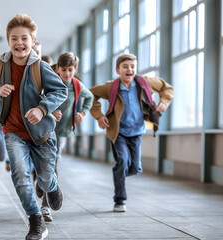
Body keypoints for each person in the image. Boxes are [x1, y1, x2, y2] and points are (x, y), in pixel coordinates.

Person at [0, 14, 67, 240]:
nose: (19, 42)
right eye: (14, 38)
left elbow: (60, 91)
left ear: (33, 40)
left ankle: (53, 186)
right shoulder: (0, 65)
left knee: (45, 178)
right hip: (13, 131)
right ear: (8, 40)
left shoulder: (41, 67)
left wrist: (42, 108)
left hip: (42, 133)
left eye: (24, 38)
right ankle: (35, 220)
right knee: (20, 175)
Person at [89, 53, 174, 212]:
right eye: (125, 66)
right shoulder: (111, 87)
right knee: (122, 160)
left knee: (134, 167)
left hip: (136, 131)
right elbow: (89, 94)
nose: (129, 69)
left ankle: (119, 174)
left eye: (132, 66)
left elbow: (166, 88)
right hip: (118, 132)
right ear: (117, 70)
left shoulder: (145, 83)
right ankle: (119, 200)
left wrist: (164, 102)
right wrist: (99, 116)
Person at [39, 52, 93, 222]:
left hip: (62, 132)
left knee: (53, 164)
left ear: (75, 69)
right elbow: (38, 98)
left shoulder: (76, 85)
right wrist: (49, 110)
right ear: (58, 69)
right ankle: (40, 179)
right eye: (64, 70)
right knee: (45, 163)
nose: (67, 73)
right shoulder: (51, 82)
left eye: (70, 70)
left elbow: (89, 97)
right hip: (46, 128)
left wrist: (82, 112)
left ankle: (45, 206)